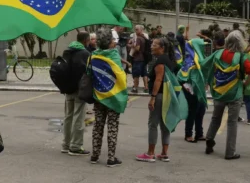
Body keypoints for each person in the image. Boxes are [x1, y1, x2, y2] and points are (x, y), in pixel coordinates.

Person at [202, 31, 250, 160]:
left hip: (219, 91)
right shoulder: (241, 57)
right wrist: (244, 84)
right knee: (232, 123)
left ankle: (209, 140)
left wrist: (211, 80)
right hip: (235, 93)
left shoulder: (218, 53)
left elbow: (205, 64)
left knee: (216, 118)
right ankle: (229, 152)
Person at [90, 28, 128, 167]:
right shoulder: (114, 56)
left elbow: (89, 74)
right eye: (112, 40)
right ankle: (111, 158)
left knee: (98, 126)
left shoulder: (93, 56)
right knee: (112, 127)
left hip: (99, 96)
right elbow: (121, 76)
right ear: (109, 42)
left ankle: (95, 155)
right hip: (114, 97)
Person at [136, 37, 177, 163]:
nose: (151, 46)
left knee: (153, 124)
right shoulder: (168, 59)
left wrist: (152, 98)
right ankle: (164, 153)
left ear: (162, 48)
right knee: (165, 125)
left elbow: (158, 79)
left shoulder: (160, 61)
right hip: (167, 96)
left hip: (159, 96)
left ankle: (150, 153)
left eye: (154, 45)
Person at [61, 32, 91, 156]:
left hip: (68, 88)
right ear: (86, 40)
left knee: (68, 117)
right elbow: (89, 71)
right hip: (80, 89)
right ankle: (75, 146)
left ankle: (66, 144)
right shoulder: (85, 53)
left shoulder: (67, 51)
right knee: (78, 117)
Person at [129, 25, 148, 93]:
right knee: (144, 74)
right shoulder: (144, 37)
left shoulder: (139, 38)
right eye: (135, 29)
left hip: (138, 59)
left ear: (141, 30)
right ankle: (146, 87)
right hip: (144, 58)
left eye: (137, 29)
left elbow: (137, 48)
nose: (136, 31)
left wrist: (132, 46)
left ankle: (135, 88)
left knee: (136, 74)